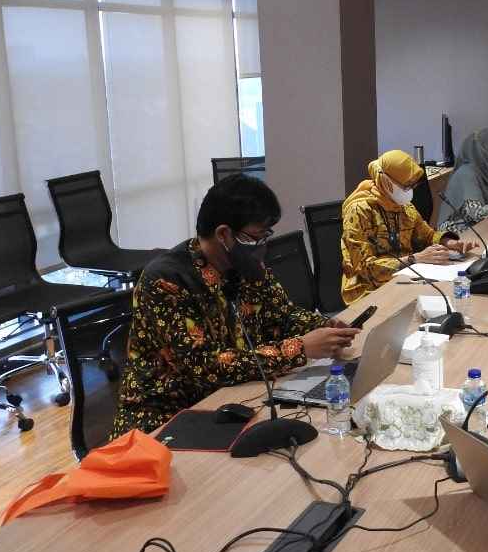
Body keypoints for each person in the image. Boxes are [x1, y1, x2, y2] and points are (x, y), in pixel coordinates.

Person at [109, 175, 360, 438]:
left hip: (237, 399)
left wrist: (324, 328)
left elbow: (282, 315)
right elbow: (205, 366)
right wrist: (300, 348)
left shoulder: (246, 267)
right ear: (224, 234)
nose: (263, 246)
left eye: (267, 235)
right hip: (163, 422)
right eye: (257, 237)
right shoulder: (167, 281)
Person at [340, 149, 477, 305]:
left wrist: (448, 243)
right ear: (385, 180)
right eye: (406, 186)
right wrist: (414, 259)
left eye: (412, 186)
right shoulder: (360, 210)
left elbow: (427, 235)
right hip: (369, 291)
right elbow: (365, 268)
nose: (410, 191)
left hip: (407, 278)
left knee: (450, 298)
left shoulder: (405, 207)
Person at [435, 126, 488, 232]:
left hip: (477, 226)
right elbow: (476, 214)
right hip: (454, 230)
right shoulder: (466, 173)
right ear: (483, 153)